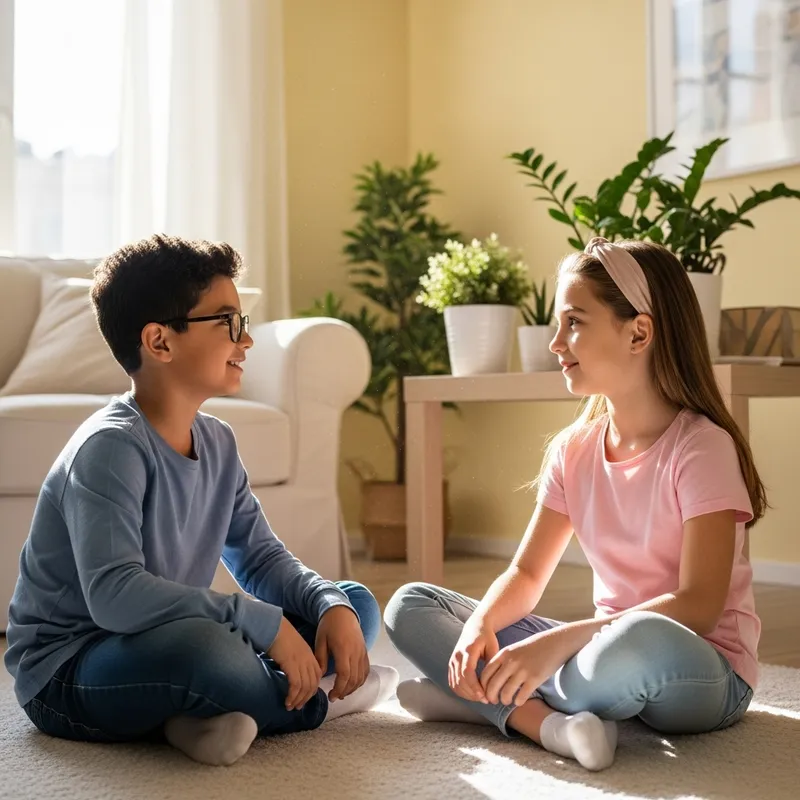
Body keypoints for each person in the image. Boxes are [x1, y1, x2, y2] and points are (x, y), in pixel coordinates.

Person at [5, 234, 397, 766]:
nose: (247, 341)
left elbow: (259, 559)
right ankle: (321, 704)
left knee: (352, 606)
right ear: (160, 341)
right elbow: (115, 597)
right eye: (229, 323)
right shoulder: (108, 448)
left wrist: (326, 604)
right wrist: (260, 624)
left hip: (165, 641)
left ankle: (196, 721)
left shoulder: (218, 440)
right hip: (72, 668)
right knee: (207, 653)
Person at [384, 237, 764, 772]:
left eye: (574, 323)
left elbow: (699, 606)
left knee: (636, 641)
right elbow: (526, 572)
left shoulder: (701, 447)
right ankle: (545, 723)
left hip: (701, 667)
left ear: (639, 332)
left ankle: (474, 705)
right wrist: (480, 628)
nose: (556, 343)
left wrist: (558, 642)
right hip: (600, 653)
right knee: (411, 605)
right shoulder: (573, 449)